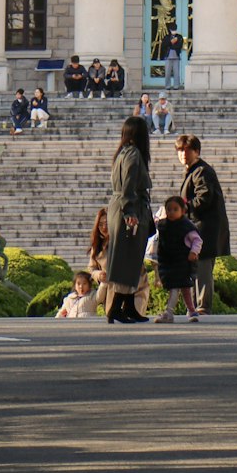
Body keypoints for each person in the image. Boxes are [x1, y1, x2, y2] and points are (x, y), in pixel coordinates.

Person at [105, 116, 153, 323]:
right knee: (127, 259)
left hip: (120, 207)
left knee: (130, 259)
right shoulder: (134, 154)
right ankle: (116, 307)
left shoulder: (122, 153)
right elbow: (129, 186)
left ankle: (128, 305)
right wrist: (130, 212)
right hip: (129, 208)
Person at [176, 133, 230, 317]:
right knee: (195, 268)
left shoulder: (201, 171)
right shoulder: (193, 170)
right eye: (180, 150)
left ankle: (202, 307)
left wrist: (183, 208)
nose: (184, 154)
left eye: (187, 150)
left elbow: (204, 197)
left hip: (204, 229)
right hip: (197, 229)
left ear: (196, 151)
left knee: (203, 268)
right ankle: (194, 306)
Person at [88, 207, 149, 317]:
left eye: (107, 223)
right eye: (100, 224)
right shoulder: (97, 247)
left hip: (135, 289)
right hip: (112, 292)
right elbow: (91, 268)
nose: (104, 227)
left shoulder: (125, 238)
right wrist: (98, 275)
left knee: (133, 323)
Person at [149, 196, 203, 323]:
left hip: (182, 262)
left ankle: (169, 313)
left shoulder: (186, 226)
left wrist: (194, 251)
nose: (171, 212)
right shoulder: (163, 225)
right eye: (169, 209)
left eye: (175, 209)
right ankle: (191, 310)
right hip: (168, 261)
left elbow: (197, 240)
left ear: (183, 210)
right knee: (184, 288)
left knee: (175, 287)